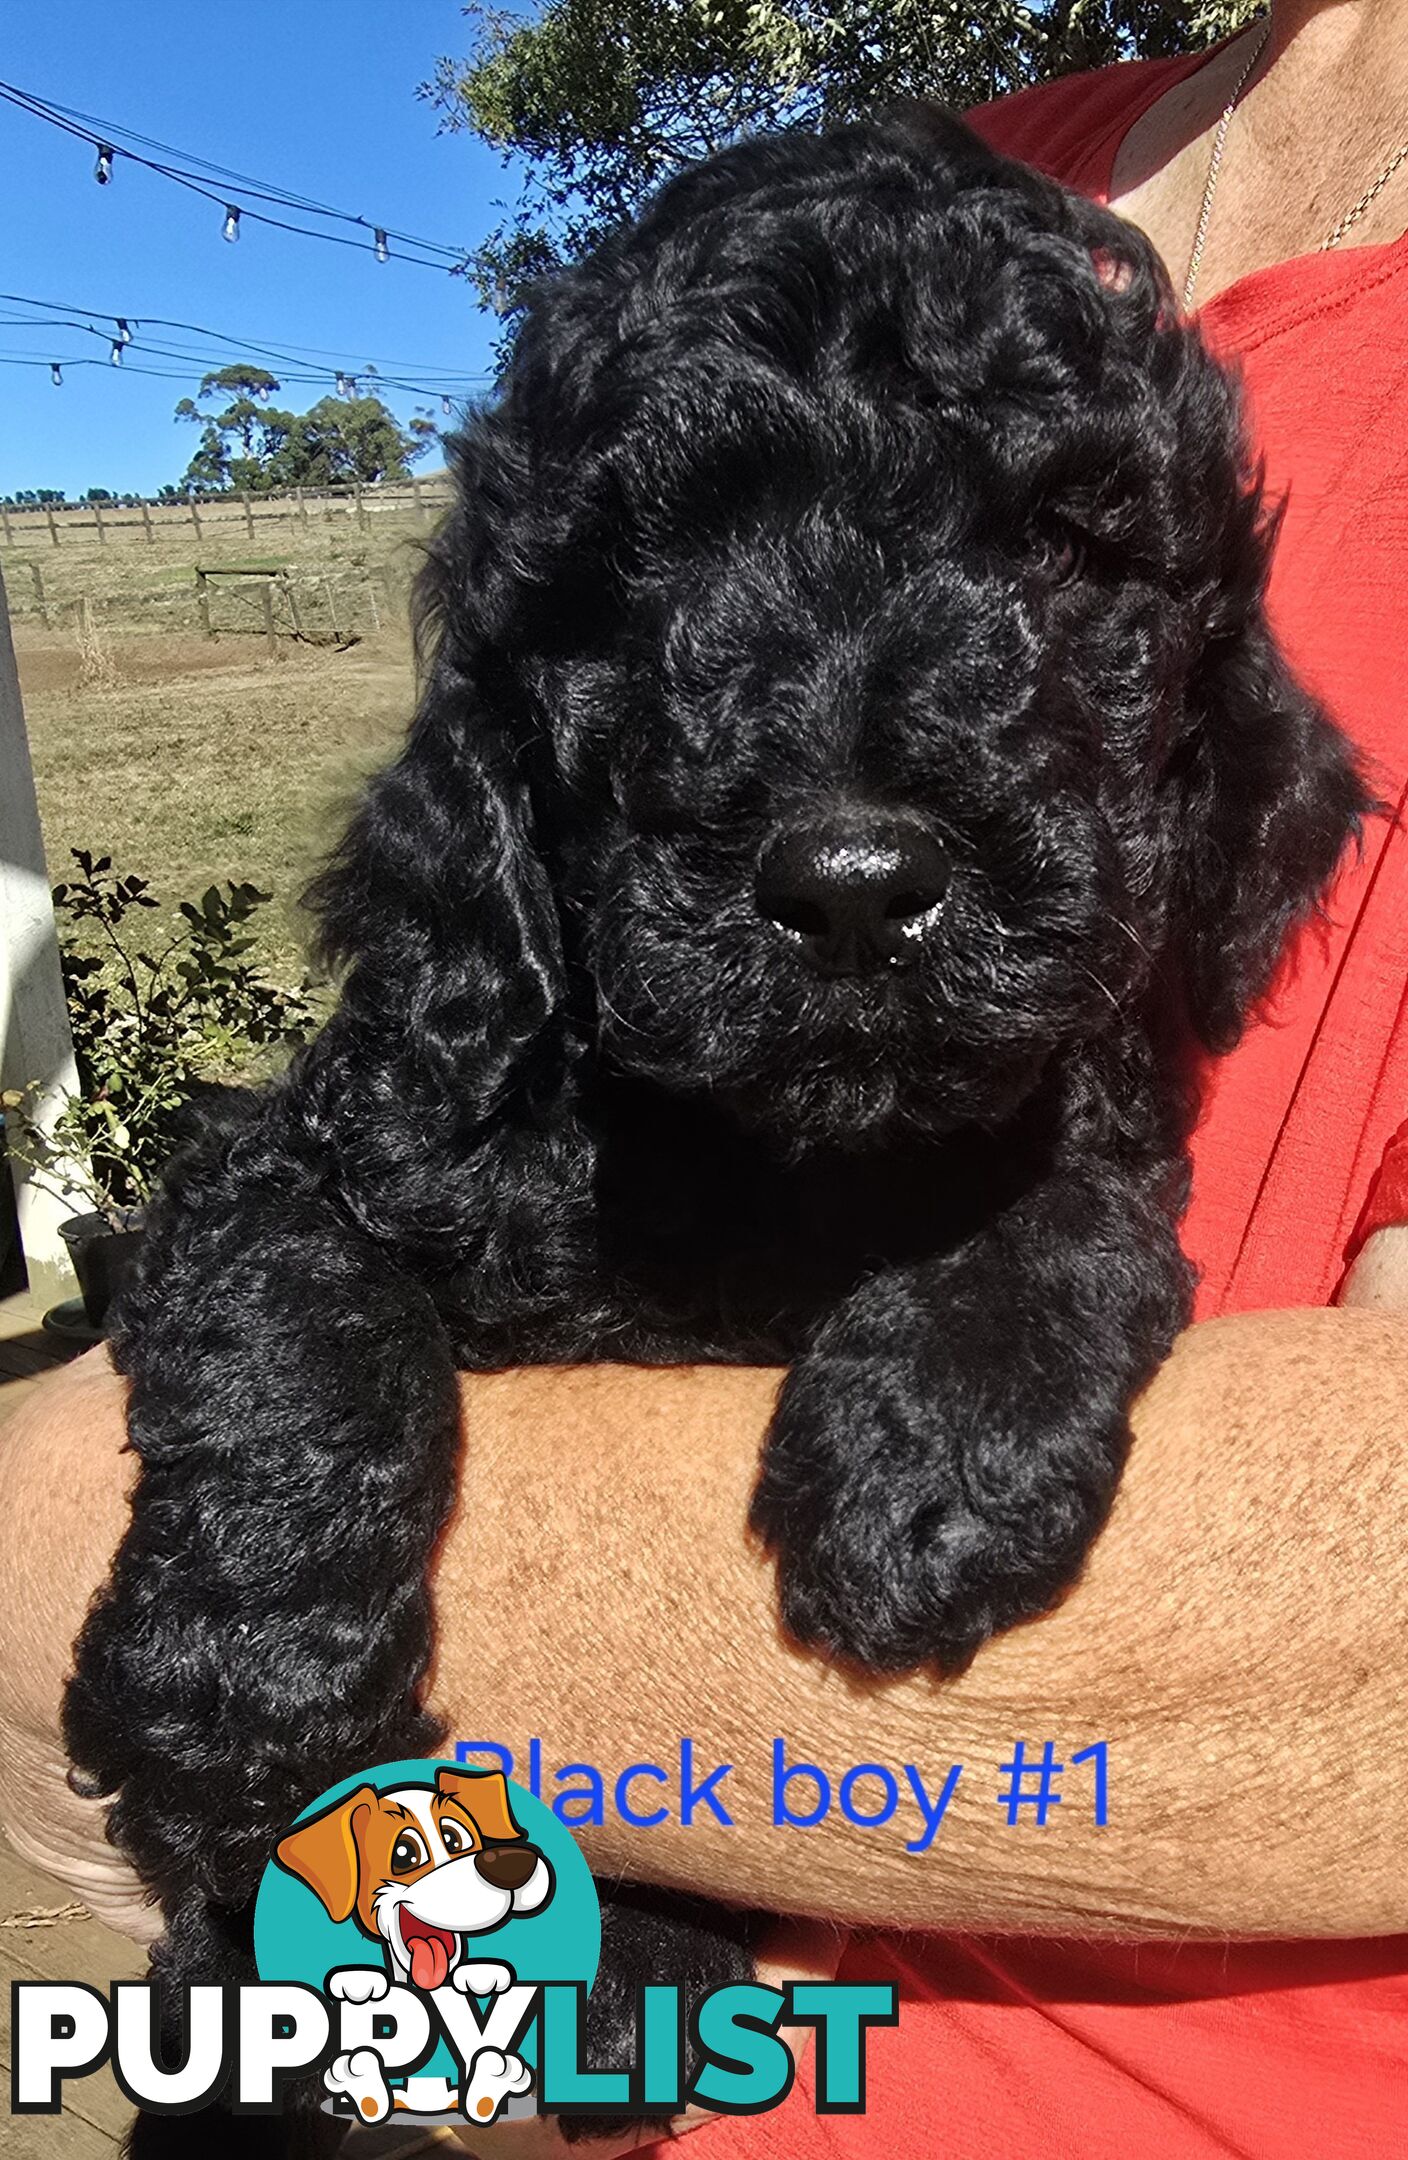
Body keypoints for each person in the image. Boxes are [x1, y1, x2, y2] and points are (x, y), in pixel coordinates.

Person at [4, 2, 1408, 2152]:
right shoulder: (983, 176)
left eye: (1036, 557)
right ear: (511, 758)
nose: (846, 824)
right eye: (674, 578)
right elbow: (291, 1196)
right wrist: (280, 1578)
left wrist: (1032, 1268)